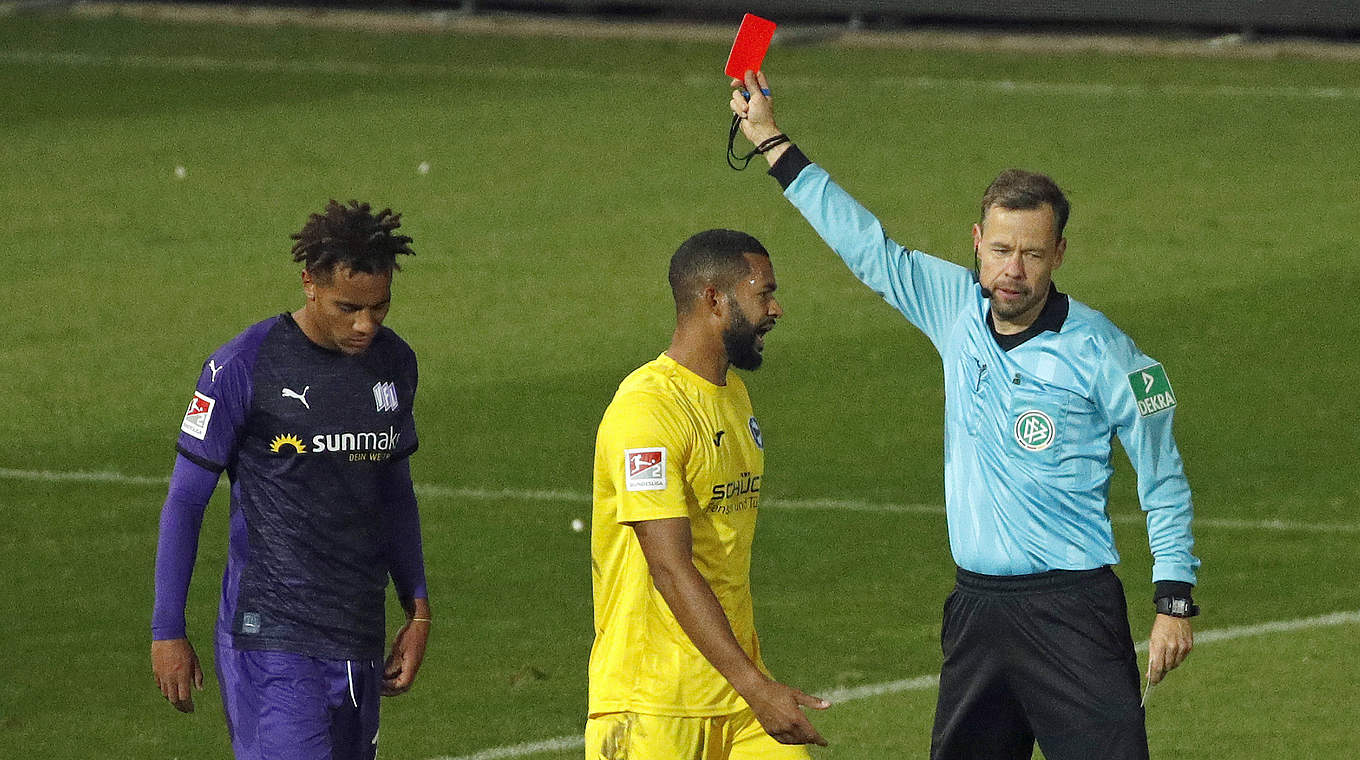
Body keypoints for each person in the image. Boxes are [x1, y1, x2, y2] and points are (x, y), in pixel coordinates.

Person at [729, 71, 1199, 760]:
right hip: (978, 613)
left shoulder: (1109, 354)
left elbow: (1164, 478)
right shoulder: (953, 308)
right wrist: (771, 139)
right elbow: (867, 247)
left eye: (1033, 254)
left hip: (1072, 612)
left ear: (1059, 255)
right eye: (1002, 250)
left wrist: (1173, 599)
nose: (1014, 270)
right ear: (977, 241)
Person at [150, 200, 431, 760]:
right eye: (347, 307)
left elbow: (395, 494)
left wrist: (417, 607)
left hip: (357, 633)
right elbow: (186, 499)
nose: (364, 325)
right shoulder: (243, 365)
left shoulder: (394, 363)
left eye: (379, 308)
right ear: (308, 282)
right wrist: (167, 628)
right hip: (270, 635)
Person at [587, 229, 829, 758]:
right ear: (715, 299)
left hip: (737, 696)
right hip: (654, 707)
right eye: (763, 292)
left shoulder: (733, 395)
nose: (776, 308)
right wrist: (757, 687)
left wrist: (750, 684)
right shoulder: (645, 414)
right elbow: (670, 568)